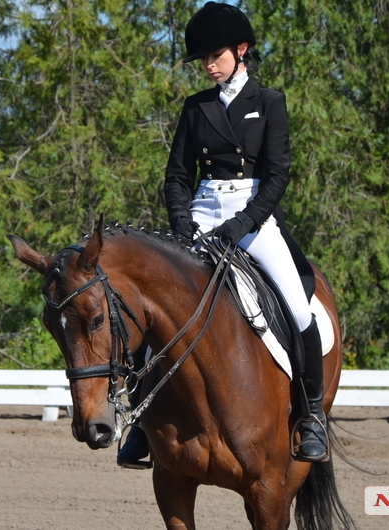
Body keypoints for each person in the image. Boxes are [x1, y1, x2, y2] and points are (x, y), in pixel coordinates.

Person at [117, 1, 327, 467]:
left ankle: (311, 415)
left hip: (252, 217)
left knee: (296, 306)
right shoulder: (196, 108)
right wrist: (181, 221)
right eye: (203, 60)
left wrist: (242, 224)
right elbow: (176, 175)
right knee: (157, 309)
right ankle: (140, 420)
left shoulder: (269, 103)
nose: (209, 66)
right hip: (201, 212)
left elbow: (277, 175)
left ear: (242, 49)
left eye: (215, 56)